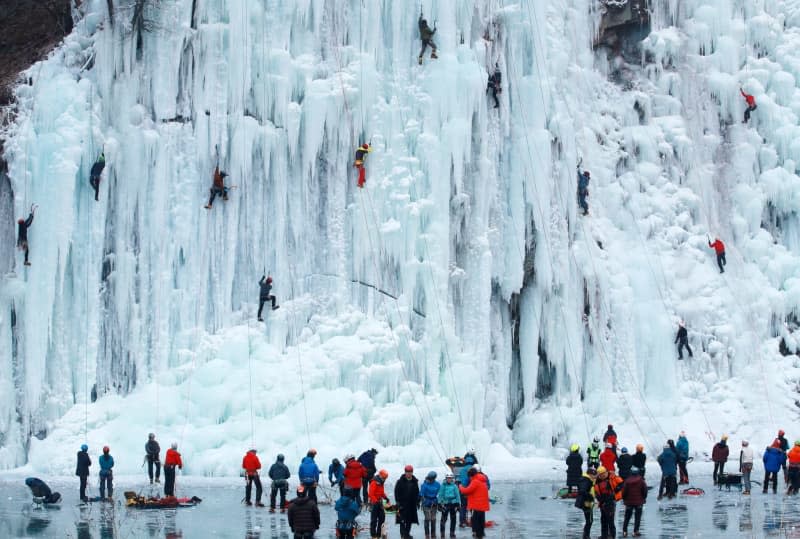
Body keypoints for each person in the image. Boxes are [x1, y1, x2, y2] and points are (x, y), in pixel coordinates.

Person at [459, 467, 490, 539]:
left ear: (471, 475)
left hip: (476, 505)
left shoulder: (475, 481)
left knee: (475, 520)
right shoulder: (482, 480)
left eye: (469, 476)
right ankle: (481, 533)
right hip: (483, 505)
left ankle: (477, 534)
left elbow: (466, 491)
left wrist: (460, 486)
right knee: (481, 520)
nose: (469, 478)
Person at [592, 466, 622, 539]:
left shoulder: (612, 477)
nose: (603, 475)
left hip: (611, 501)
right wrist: (599, 498)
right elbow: (595, 491)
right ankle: (604, 536)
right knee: (603, 520)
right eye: (601, 474)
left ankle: (612, 536)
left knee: (610, 521)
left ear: (606, 472)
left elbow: (622, 483)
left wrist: (616, 489)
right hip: (602, 501)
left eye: (604, 474)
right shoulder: (597, 481)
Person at [395, 464, 420, 539]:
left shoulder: (415, 481)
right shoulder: (400, 481)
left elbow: (417, 492)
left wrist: (417, 502)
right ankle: (403, 535)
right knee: (402, 521)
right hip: (402, 504)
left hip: (411, 505)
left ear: (412, 472)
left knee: (409, 520)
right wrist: (398, 502)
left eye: (410, 472)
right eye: (407, 472)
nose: (409, 473)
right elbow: (396, 492)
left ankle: (407, 534)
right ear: (405, 472)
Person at [621, 467, 647, 538]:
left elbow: (624, 492)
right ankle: (636, 531)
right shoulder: (641, 480)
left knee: (627, 517)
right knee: (637, 517)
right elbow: (645, 490)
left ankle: (624, 531)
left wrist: (624, 499)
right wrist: (643, 498)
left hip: (629, 502)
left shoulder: (627, 481)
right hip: (639, 502)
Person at [458, 449, 478, 527]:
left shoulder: (462, 469)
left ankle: (462, 522)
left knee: (463, 506)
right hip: (473, 491)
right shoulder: (474, 468)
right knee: (473, 507)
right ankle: (473, 521)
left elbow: (460, 481)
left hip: (463, 490)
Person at [368, 469, 390, 539]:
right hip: (374, 503)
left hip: (379, 502)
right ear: (380, 476)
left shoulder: (381, 483)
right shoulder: (374, 482)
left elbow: (381, 492)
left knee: (382, 518)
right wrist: (375, 501)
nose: (384, 480)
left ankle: (378, 534)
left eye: (385, 478)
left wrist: (386, 498)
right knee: (374, 520)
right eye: (384, 478)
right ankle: (373, 535)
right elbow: (371, 494)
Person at [437, 472, 460, 538]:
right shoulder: (443, 485)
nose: (449, 479)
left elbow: (457, 495)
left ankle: (452, 533)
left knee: (453, 519)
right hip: (445, 504)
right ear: (446, 478)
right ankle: (442, 533)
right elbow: (440, 494)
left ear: (452, 478)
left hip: (453, 504)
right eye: (448, 478)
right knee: (443, 519)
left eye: (450, 478)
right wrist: (439, 503)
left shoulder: (454, 486)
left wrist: (458, 504)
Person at [420, 471, 441, 538]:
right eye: (429, 478)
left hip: (434, 503)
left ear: (434, 478)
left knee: (433, 519)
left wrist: (438, 501)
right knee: (427, 518)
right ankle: (427, 534)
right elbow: (421, 494)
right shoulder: (424, 484)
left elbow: (439, 493)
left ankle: (433, 534)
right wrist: (423, 500)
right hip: (426, 503)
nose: (430, 479)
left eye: (432, 478)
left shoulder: (437, 484)